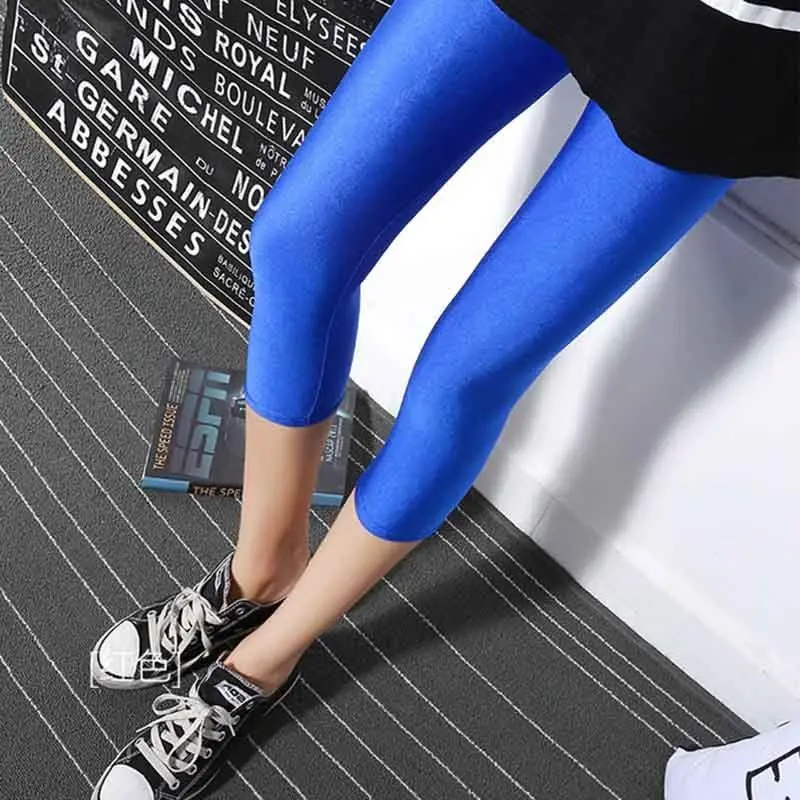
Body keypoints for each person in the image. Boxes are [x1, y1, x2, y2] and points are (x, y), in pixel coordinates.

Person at [88, 0, 799, 797]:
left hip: (734, 34)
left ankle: (264, 661)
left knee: (462, 377)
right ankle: (260, 574)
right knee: (296, 241)